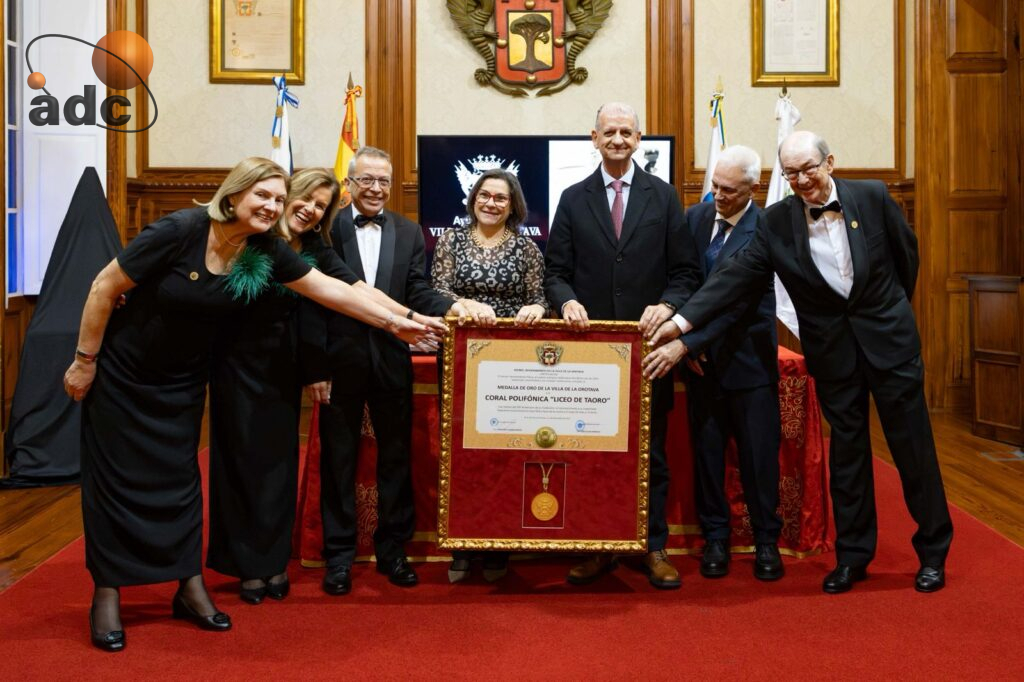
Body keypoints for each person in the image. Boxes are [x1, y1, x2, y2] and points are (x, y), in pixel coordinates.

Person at [63, 157, 438, 652]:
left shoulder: (264, 247)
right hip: (124, 375)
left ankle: (188, 587)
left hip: (183, 382)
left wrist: (396, 323)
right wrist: (85, 360)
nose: (273, 206)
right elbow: (103, 287)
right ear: (234, 194)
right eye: (264, 195)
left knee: (179, 486)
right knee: (117, 486)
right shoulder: (181, 229)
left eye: (279, 199)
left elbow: (333, 290)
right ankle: (108, 593)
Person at [651, 131, 954, 593]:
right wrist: (680, 325)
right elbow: (732, 280)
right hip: (834, 354)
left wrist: (888, 317)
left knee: (913, 453)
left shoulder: (872, 197)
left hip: (890, 347)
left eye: (809, 168)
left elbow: (905, 259)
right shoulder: (775, 223)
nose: (801, 180)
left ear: (829, 161)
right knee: (848, 459)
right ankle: (853, 557)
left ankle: (933, 553)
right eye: (791, 173)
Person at [206, 168, 446, 604]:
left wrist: (410, 320)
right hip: (243, 368)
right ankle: (262, 564)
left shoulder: (315, 246)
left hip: (286, 369)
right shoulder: (252, 238)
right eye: (306, 199)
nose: (311, 209)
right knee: (243, 468)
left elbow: (354, 289)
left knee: (278, 472)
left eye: (320, 205)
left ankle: (271, 564)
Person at [304, 147, 484, 597]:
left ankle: (393, 551)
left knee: (396, 459)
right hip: (339, 364)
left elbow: (417, 289)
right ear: (348, 183)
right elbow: (310, 301)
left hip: (391, 360)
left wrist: (452, 306)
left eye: (384, 181)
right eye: (366, 180)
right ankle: (340, 556)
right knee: (339, 461)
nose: (376, 189)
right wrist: (316, 365)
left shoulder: (407, 232)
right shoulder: (323, 230)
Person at [544, 102, 702, 589]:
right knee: (591, 451)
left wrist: (670, 306)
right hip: (587, 349)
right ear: (593, 138)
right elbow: (555, 272)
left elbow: (685, 273)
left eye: (626, 132)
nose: (617, 138)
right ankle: (598, 546)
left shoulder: (664, 197)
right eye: (608, 131)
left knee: (648, 451)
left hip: (646, 349)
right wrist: (566, 302)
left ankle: (652, 546)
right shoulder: (572, 198)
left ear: (639, 139)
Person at [642, 146, 783, 581]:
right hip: (702, 367)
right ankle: (716, 539)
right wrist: (692, 345)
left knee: (759, 462)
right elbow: (687, 282)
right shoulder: (696, 218)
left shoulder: (766, 230)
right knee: (707, 457)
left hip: (747, 364)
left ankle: (765, 543)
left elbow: (734, 300)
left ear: (753, 189)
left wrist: (687, 341)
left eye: (727, 190)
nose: (716, 196)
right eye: (714, 186)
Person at [431, 167, 548, 582]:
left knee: (503, 450)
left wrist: (536, 308)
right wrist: (462, 304)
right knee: (462, 451)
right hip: (461, 358)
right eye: (485, 195)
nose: (491, 203)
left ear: (513, 205)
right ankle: (462, 542)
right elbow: (437, 291)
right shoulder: (451, 240)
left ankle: (498, 543)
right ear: (473, 198)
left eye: (501, 197)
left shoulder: (527, 249)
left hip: (509, 364)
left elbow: (539, 297)